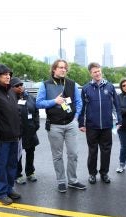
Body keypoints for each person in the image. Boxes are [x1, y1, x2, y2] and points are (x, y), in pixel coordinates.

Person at [36, 59, 86, 193]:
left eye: (65, 68)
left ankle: (73, 180)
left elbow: (78, 102)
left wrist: (75, 118)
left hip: (70, 124)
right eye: (60, 67)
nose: (63, 70)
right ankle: (61, 181)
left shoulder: (72, 84)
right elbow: (39, 103)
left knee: (73, 154)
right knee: (57, 156)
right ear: (54, 69)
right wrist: (54, 101)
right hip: (54, 125)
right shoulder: (45, 84)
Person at [79, 62, 122, 184]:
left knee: (106, 151)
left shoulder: (110, 87)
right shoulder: (86, 88)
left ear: (101, 71)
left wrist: (119, 120)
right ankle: (92, 174)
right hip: (92, 126)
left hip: (107, 125)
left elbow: (117, 105)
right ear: (90, 73)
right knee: (92, 151)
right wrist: (81, 123)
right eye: (94, 72)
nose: (97, 73)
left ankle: (104, 173)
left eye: (99, 71)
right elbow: (82, 107)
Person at [0, 64, 21, 205]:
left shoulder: (11, 91)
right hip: (2, 137)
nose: (8, 76)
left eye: (9, 74)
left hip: (14, 135)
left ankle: (9, 188)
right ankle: (0, 192)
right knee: (1, 166)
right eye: (4, 74)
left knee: (12, 165)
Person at [10, 77, 40, 184]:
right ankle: (18, 174)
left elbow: (36, 112)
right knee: (18, 154)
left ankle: (30, 172)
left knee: (30, 152)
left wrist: (36, 125)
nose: (20, 87)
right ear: (11, 88)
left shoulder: (30, 97)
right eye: (16, 86)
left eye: (21, 85)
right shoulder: (11, 98)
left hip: (30, 130)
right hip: (18, 132)